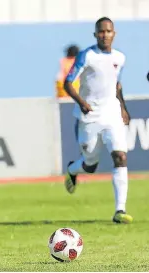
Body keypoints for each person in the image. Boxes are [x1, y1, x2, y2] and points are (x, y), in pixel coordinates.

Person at [63, 17, 132, 224]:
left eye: (108, 31)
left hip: (111, 114)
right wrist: (82, 102)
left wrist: (123, 108)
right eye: (101, 32)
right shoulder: (87, 56)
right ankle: (72, 169)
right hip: (89, 116)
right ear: (95, 35)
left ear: (114, 34)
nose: (105, 35)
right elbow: (68, 83)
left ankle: (120, 210)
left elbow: (116, 85)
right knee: (90, 165)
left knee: (120, 156)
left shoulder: (120, 58)